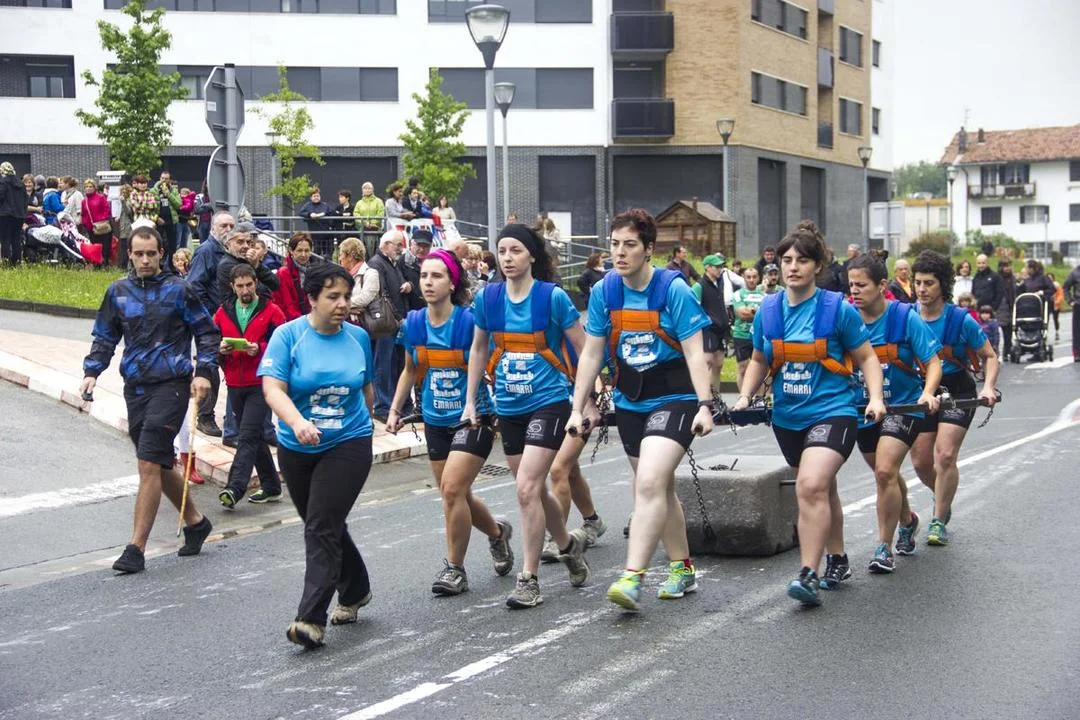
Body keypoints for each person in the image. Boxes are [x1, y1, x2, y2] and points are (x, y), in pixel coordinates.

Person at [732, 220, 886, 607]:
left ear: (817, 266)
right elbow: (759, 358)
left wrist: (875, 398)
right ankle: (838, 558)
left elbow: (867, 358)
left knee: (811, 486)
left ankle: (808, 573)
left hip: (833, 412)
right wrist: (745, 396)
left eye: (802, 260)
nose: (793, 267)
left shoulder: (837, 310)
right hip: (788, 417)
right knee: (823, 488)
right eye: (786, 260)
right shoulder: (768, 311)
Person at [567, 209, 714, 611]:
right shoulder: (605, 292)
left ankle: (632, 577)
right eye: (614, 244)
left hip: (675, 398)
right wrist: (578, 407)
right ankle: (682, 568)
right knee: (659, 487)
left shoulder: (673, 290)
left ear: (649, 249)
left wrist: (705, 405)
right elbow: (591, 353)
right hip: (631, 400)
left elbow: (695, 351)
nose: (619, 252)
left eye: (629, 245)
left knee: (647, 482)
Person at [462, 223, 593, 609]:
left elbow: (585, 349)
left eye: (515, 250)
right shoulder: (488, 299)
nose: (507, 258)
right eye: (502, 251)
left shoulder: (551, 298)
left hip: (549, 402)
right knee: (533, 490)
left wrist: (585, 402)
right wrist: (471, 401)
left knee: (525, 489)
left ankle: (529, 579)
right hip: (509, 406)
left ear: (532, 255)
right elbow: (478, 349)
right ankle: (568, 546)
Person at [80, 226, 219, 574]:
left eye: (151, 253)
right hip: (136, 387)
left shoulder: (179, 290)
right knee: (156, 461)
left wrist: (203, 371)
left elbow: (206, 332)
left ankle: (136, 548)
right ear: (129, 254)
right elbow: (105, 336)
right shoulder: (117, 292)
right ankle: (196, 522)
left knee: (147, 463)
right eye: (139, 253)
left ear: (161, 254)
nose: (145, 260)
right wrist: (92, 372)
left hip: (172, 385)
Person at [259, 262, 376, 649]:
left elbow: (366, 389)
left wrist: (369, 425)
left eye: (347, 296)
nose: (342, 304)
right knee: (323, 522)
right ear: (311, 299)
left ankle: (310, 618)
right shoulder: (288, 336)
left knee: (321, 526)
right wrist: (296, 422)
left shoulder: (358, 338)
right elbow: (272, 389)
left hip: (349, 442)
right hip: (297, 446)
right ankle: (356, 588)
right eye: (333, 297)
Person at [386, 249, 514, 595]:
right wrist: (395, 410)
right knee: (457, 494)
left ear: (452, 282)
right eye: (424, 276)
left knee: (453, 490)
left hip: (474, 418)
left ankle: (455, 570)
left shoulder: (470, 322)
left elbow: (493, 360)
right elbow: (410, 370)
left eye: (437, 276)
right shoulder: (414, 324)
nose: (428, 282)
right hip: (434, 419)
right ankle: (498, 533)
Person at [847, 254, 942, 574]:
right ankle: (908, 520)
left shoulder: (904, 317)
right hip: (863, 409)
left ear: (881, 285)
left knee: (885, 471)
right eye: (851, 285)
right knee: (884, 473)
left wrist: (928, 392)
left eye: (862, 285)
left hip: (903, 406)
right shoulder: (846, 317)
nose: (854, 291)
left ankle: (883, 548)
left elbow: (933, 363)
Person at [908, 250, 999, 548]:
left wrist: (988, 387)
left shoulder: (961, 320)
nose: (922, 289)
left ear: (943, 284)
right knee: (921, 461)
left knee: (945, 455)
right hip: (923, 391)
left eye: (929, 283)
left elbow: (989, 356)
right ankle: (942, 496)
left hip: (957, 390)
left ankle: (938, 519)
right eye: (918, 283)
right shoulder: (907, 317)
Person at [214, 263, 286, 509]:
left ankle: (234, 488)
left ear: (256, 283)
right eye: (240, 286)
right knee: (254, 435)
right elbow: (211, 342)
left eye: (249, 285)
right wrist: (221, 350)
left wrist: (260, 348)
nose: (245, 290)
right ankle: (272, 487)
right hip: (235, 382)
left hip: (262, 383)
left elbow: (283, 345)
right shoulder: (222, 312)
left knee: (246, 435)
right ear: (232, 287)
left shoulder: (272, 311)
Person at [186, 211, 236, 436]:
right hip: (211, 321)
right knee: (209, 367)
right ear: (213, 227)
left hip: (230, 319)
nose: (228, 229)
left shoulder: (230, 251)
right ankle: (204, 416)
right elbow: (195, 286)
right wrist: (209, 316)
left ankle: (233, 418)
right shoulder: (206, 251)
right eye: (224, 225)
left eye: (231, 225)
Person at [367, 229, 409, 420]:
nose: (401, 249)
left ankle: (396, 405)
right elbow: (383, 295)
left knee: (397, 364)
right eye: (398, 245)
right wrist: (398, 317)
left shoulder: (393, 264)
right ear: (386, 245)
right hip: (386, 324)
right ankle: (382, 406)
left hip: (397, 323)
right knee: (384, 365)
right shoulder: (377, 264)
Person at [215, 223, 279, 306]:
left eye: (248, 242)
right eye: (240, 242)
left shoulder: (248, 260)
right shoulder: (227, 265)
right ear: (228, 245)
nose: (246, 246)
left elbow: (275, 284)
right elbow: (257, 293)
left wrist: (256, 265)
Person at [731, 266, 766, 390]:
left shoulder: (764, 296)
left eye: (754, 277)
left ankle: (761, 398)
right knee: (743, 367)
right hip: (742, 335)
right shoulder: (738, 294)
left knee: (761, 367)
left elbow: (767, 315)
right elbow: (742, 314)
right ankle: (743, 396)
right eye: (748, 277)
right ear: (744, 278)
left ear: (758, 278)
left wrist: (750, 311)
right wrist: (758, 312)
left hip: (759, 335)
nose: (751, 280)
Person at [697, 254, 730, 383]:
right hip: (708, 329)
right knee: (708, 361)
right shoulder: (699, 285)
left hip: (722, 327)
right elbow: (693, 307)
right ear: (707, 267)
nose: (720, 269)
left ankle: (716, 393)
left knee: (719, 363)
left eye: (721, 267)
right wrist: (706, 320)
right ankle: (704, 393)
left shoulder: (720, 282)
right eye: (717, 267)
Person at [273, 232, 318, 321]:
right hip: (293, 322)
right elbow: (287, 306)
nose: (303, 255)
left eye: (307, 250)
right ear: (291, 251)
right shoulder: (283, 273)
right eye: (299, 250)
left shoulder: (315, 271)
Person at [337, 237, 380, 321]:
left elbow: (364, 299)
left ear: (351, 256)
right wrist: (348, 309)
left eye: (341, 254)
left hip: (366, 323)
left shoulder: (371, 274)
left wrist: (341, 304)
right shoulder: (343, 276)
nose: (339, 258)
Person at [80, 179, 114, 268]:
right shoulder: (84, 201)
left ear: (94, 188)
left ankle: (105, 264)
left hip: (102, 226)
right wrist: (85, 224)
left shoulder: (101, 198)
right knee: (94, 247)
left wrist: (101, 220)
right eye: (86, 187)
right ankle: (97, 264)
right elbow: (83, 214)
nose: (88, 188)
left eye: (90, 186)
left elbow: (107, 210)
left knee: (104, 246)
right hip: (91, 228)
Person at [0, 162, 27, 264]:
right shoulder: (21, 184)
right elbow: (25, 200)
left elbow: (1, 197)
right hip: (19, 215)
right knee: (16, 239)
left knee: (5, 238)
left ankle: (6, 261)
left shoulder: (3, 182)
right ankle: (17, 261)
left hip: (5, 215)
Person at [399, 229, 432, 312]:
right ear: (412, 243)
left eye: (425, 246)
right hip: (408, 310)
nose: (422, 249)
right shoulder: (402, 261)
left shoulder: (432, 263)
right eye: (418, 245)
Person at [153, 171, 180, 266]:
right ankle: (159, 265)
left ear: (170, 180)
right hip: (159, 221)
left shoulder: (173, 191)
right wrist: (156, 218)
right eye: (162, 178)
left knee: (172, 245)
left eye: (166, 179)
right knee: (159, 243)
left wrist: (168, 194)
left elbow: (178, 205)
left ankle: (172, 266)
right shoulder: (153, 191)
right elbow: (150, 208)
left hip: (171, 221)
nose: (164, 180)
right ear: (160, 179)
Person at [297, 188, 334, 256]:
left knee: (328, 253)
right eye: (314, 196)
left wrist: (324, 214)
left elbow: (331, 212)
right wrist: (310, 215)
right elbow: (301, 213)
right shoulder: (307, 205)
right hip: (315, 234)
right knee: (316, 252)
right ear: (311, 197)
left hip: (326, 234)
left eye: (317, 196)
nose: (316, 197)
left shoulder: (325, 205)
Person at [996, 258, 1019, 359]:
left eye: (1009, 266)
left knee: (1010, 329)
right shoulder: (997, 278)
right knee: (1004, 329)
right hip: (1002, 306)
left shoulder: (1013, 278)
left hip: (1012, 305)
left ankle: (1008, 349)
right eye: (1005, 266)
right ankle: (1005, 350)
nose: (1008, 268)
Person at [1063, 264, 1080, 361]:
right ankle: (1077, 353)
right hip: (1078, 304)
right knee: (1077, 331)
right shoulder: (1075, 273)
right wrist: (1070, 301)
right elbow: (1065, 287)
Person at [1049, 272, 1063, 340]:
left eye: (1050, 278)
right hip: (1048, 303)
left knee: (1055, 318)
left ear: (1053, 278)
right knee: (1046, 318)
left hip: (1055, 304)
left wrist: (1058, 301)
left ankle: (1057, 331)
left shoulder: (1056, 285)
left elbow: (1060, 294)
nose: (1049, 279)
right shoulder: (1045, 285)